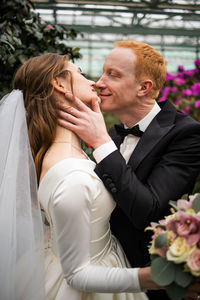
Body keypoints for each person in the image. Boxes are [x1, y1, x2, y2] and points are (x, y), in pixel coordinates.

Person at [0, 52, 165, 300]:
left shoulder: (68, 155)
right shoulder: (71, 176)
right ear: (59, 83)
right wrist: (151, 278)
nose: (94, 82)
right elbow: (76, 274)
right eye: (80, 73)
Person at [57, 41, 200, 300]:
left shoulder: (186, 134)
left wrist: (100, 143)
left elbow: (149, 211)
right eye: (102, 73)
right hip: (104, 274)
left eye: (113, 74)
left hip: (154, 283)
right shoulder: (114, 133)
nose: (99, 82)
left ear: (143, 87)